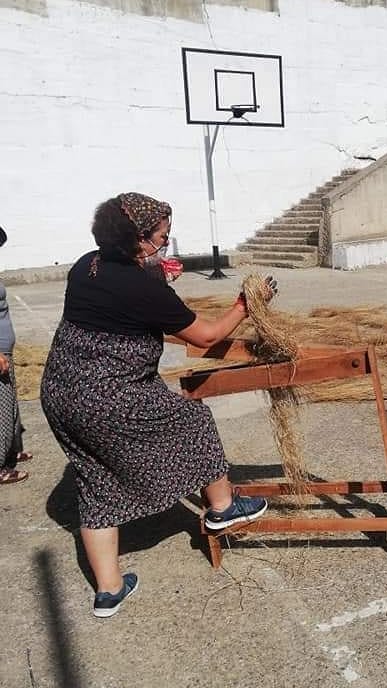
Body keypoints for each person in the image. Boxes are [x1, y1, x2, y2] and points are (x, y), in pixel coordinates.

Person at [40, 193, 277, 618]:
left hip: (59, 394)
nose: (164, 246)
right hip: (106, 396)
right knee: (191, 416)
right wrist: (244, 303)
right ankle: (223, 508)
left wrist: (156, 278)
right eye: (160, 239)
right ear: (137, 240)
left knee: (95, 478)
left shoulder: (85, 266)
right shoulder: (141, 287)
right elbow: (205, 337)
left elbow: (120, 308)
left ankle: (109, 590)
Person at [0, 226, 32, 484]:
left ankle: (12, 450)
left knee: (10, 403)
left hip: (5, 348)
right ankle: (0, 466)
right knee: (2, 405)